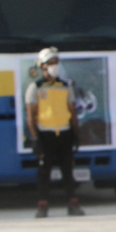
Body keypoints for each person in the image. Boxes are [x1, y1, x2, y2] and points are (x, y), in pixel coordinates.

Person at [24, 47, 84, 217]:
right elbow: (31, 116)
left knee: (68, 171)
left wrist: (75, 134)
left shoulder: (65, 86)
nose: (54, 66)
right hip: (45, 135)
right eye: (50, 63)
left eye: (56, 63)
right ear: (42, 66)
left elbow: (72, 112)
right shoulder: (35, 88)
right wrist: (35, 139)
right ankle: (42, 207)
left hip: (64, 133)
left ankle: (73, 205)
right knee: (44, 173)